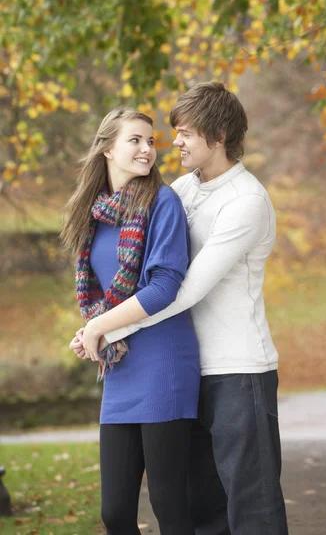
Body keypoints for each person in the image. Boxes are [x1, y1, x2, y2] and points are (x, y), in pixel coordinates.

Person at [72, 82, 288, 534]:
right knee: (202, 508)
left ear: (219, 136)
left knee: (252, 506)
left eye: (186, 133)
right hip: (191, 367)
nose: (174, 143)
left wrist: (104, 327)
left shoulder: (245, 201)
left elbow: (180, 289)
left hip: (238, 367)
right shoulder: (184, 190)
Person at [62, 107, 200, 535]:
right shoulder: (93, 214)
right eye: (134, 140)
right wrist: (92, 329)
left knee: (169, 503)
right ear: (107, 148)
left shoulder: (163, 202)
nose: (146, 149)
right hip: (120, 369)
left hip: (165, 365)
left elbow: (163, 287)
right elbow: (102, 299)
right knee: (115, 512)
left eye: (150, 141)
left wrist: (99, 328)